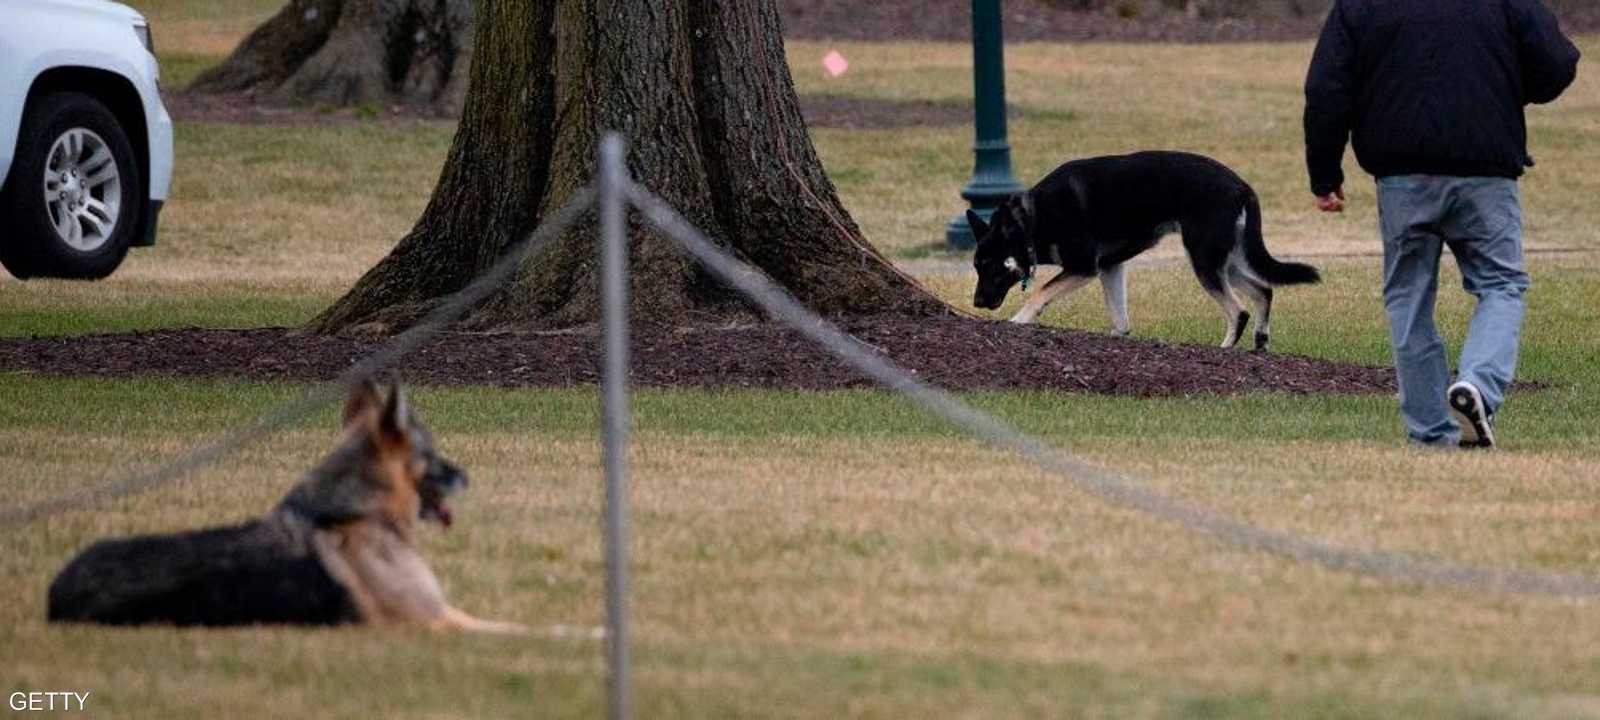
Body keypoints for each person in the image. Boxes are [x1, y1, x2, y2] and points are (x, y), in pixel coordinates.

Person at [1304, 0, 1579, 448]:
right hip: (1485, 170)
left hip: (1402, 176)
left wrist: (1325, 175)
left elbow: (1326, 88)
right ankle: (1479, 388)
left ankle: (1432, 433)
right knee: (1501, 284)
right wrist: (1503, 84)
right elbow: (1557, 63)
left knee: (1408, 298)